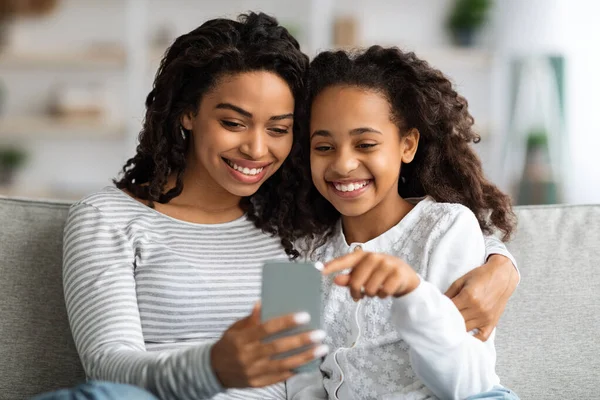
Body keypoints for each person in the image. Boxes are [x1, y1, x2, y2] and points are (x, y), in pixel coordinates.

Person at [39, 13, 518, 400]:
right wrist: (213, 368)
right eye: (233, 122)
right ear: (187, 113)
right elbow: (108, 366)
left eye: (279, 128)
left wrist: (499, 261)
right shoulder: (108, 218)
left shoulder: (291, 226)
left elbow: (401, 230)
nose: (255, 149)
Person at [287, 46, 520, 399]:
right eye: (324, 147)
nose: (344, 164)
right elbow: (297, 380)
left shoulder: (446, 227)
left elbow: (465, 385)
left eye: (365, 144)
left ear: (407, 145)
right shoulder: (304, 247)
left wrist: (412, 294)